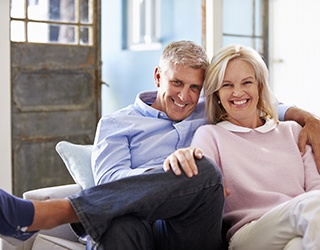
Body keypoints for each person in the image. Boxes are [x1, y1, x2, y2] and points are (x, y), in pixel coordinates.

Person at [1, 40, 320, 250]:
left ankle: (56, 212)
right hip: (138, 224)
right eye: (177, 83)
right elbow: (111, 183)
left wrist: (309, 119)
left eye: (195, 87)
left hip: (191, 232)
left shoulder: (207, 109)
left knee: (202, 170)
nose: (185, 96)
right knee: (119, 228)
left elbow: (258, 104)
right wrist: (169, 169)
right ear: (157, 76)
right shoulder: (117, 125)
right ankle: (56, 214)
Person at [166, 44, 320, 249]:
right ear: (217, 93)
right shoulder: (211, 135)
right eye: (227, 85)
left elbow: (315, 188)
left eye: (246, 82)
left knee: (297, 245)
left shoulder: (293, 131)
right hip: (249, 234)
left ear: (259, 87)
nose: (237, 92)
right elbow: (201, 183)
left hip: (301, 222)